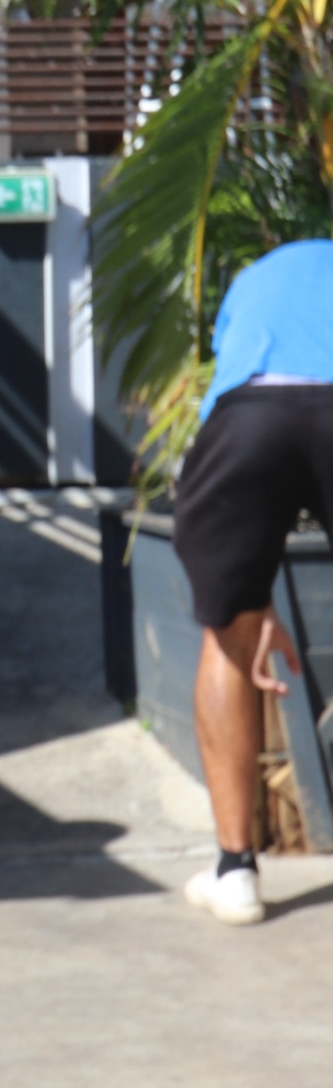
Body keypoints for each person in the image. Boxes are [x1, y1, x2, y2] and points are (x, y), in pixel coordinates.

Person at [172, 236, 333, 926]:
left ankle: (236, 870)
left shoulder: (255, 279)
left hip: (249, 417)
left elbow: (227, 394)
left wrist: (248, 597)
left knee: (227, 638)